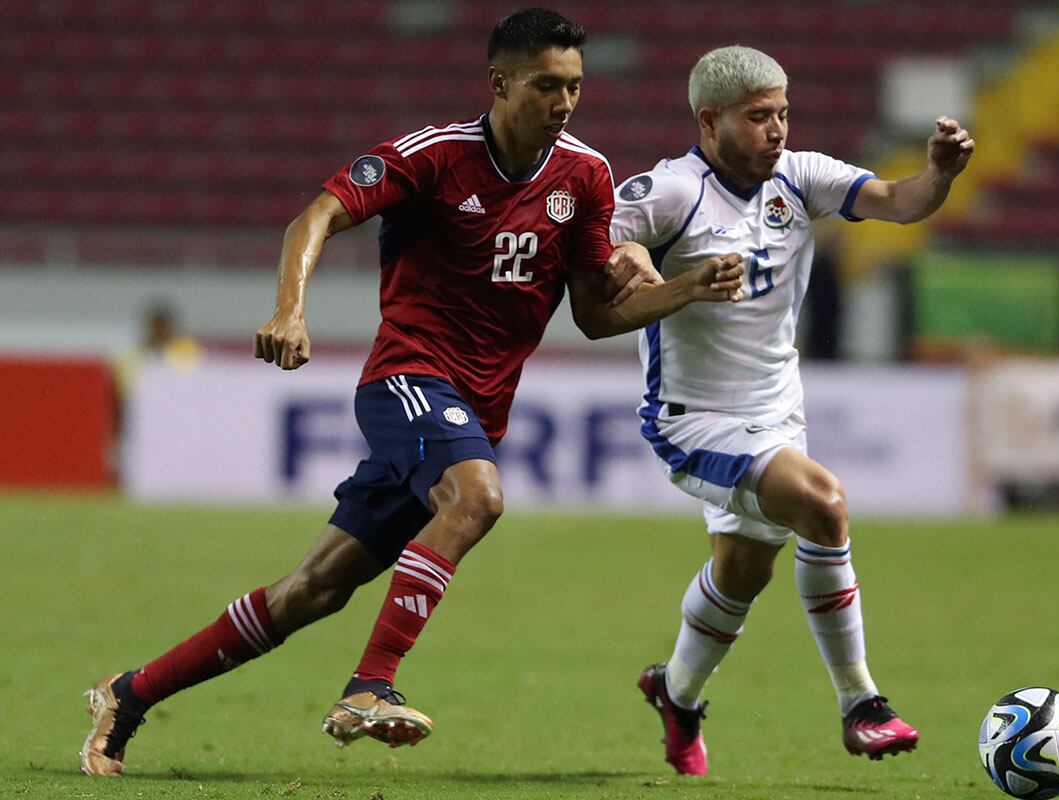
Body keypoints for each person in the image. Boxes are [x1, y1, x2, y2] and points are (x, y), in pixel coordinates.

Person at [80, 9, 744, 777]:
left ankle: (129, 694)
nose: (563, 102)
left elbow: (594, 316)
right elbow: (316, 216)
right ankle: (370, 686)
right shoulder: (434, 156)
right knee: (478, 498)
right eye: (545, 85)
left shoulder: (585, 176)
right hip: (407, 378)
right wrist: (289, 310)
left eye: (573, 86)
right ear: (499, 82)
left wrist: (687, 289)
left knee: (313, 590)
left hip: (475, 411)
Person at [610, 46, 974, 776]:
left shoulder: (800, 177)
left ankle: (676, 693)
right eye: (758, 116)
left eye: (782, 113)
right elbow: (600, 232)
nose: (777, 129)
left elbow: (897, 201)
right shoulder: (673, 191)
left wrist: (939, 173)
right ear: (709, 121)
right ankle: (861, 702)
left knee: (744, 571)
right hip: (693, 419)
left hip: (779, 413)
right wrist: (639, 262)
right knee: (823, 503)